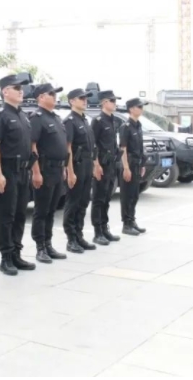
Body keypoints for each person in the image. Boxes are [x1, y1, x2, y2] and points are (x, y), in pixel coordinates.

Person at [0, 74, 36, 275]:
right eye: (17, 88)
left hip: (23, 171)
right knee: (6, 216)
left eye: (21, 88)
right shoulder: (1, 116)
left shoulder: (23, 116)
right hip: (7, 171)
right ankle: (6, 257)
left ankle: (16, 253)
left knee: (19, 215)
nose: (21, 91)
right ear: (5, 91)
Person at [28, 83, 69, 263]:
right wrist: (36, 172)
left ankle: (48, 244)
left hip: (57, 170)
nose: (55, 96)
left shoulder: (57, 118)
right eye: (51, 94)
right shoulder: (37, 118)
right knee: (41, 210)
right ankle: (40, 247)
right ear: (41, 97)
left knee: (52, 210)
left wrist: (64, 168)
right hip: (44, 170)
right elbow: (33, 146)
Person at [63, 88, 97, 253]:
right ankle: (71, 239)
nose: (85, 100)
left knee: (83, 202)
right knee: (73, 202)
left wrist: (94, 165)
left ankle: (79, 235)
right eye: (81, 98)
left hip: (87, 164)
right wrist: (70, 171)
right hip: (76, 165)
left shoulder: (84, 120)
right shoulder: (70, 121)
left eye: (86, 98)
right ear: (72, 101)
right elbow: (68, 148)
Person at [90, 90, 121, 245]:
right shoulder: (98, 121)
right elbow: (93, 144)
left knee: (107, 198)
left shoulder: (113, 120)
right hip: (101, 165)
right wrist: (96, 164)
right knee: (98, 199)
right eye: (112, 101)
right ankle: (97, 232)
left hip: (111, 165)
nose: (115, 104)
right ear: (104, 102)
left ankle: (104, 228)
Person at [120, 98, 148, 236]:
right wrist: (126, 167)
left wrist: (142, 164)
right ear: (131, 109)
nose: (141, 109)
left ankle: (132, 220)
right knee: (127, 195)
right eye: (139, 107)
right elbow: (123, 148)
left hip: (137, 163)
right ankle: (126, 224)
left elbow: (140, 147)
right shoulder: (125, 126)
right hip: (129, 164)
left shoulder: (138, 125)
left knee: (135, 195)